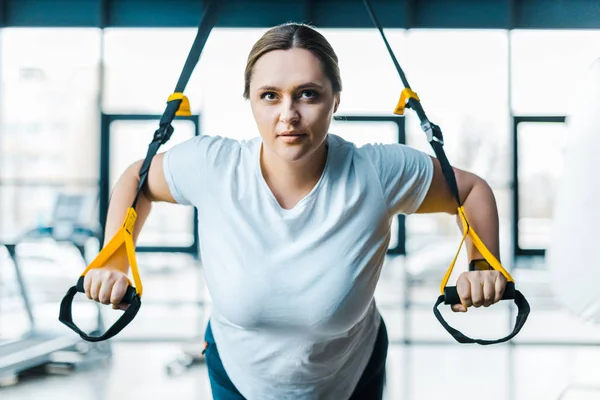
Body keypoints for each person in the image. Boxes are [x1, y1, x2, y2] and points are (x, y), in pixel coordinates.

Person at [84, 22, 507, 400]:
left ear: (335, 100)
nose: (289, 115)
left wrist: (481, 262)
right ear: (250, 100)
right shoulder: (213, 167)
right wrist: (115, 259)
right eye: (270, 96)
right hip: (238, 374)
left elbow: (469, 191)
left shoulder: (376, 172)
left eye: (308, 94)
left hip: (351, 374)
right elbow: (137, 180)